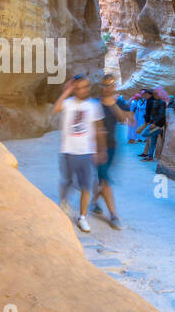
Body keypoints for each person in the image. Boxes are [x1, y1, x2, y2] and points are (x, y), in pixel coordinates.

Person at [54, 74, 106, 233]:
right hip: (68, 151)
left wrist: (101, 149)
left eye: (86, 86)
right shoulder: (68, 103)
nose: (83, 90)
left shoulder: (94, 106)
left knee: (86, 186)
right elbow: (55, 109)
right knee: (67, 182)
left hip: (86, 152)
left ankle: (82, 217)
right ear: (74, 88)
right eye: (79, 87)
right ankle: (64, 201)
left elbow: (99, 129)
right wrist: (66, 91)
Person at [90, 74, 133, 229]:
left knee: (101, 178)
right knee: (105, 179)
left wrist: (113, 103)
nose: (107, 88)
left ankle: (94, 202)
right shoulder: (94, 103)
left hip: (113, 147)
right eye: (104, 85)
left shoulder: (120, 102)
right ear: (100, 86)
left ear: (115, 86)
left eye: (110, 85)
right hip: (96, 147)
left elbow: (126, 120)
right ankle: (113, 215)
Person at [139, 88, 168, 161]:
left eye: (156, 94)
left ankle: (151, 156)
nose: (154, 95)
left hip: (157, 125)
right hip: (154, 123)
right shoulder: (156, 101)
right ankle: (150, 156)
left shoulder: (161, 102)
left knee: (146, 135)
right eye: (154, 93)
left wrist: (154, 123)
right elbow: (153, 114)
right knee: (152, 141)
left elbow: (161, 114)